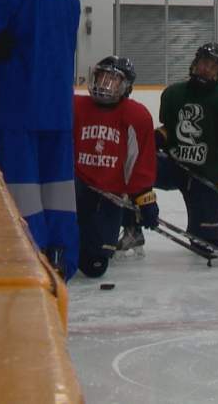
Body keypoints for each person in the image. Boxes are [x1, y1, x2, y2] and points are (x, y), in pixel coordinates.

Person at [0, 0, 82, 279]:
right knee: (58, 192)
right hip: (58, 112)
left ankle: (30, 267)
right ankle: (62, 261)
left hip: (15, 109)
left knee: (20, 193)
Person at [72, 56, 157, 277]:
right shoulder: (76, 106)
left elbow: (139, 161)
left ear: (126, 86)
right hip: (77, 188)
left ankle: (130, 225)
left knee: (94, 266)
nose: (104, 85)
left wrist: (145, 197)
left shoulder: (136, 115)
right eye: (102, 78)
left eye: (113, 80)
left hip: (110, 196)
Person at [154, 42, 218, 249]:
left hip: (205, 174)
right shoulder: (172, 94)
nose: (206, 69)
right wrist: (157, 138)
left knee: (205, 245)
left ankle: (217, 220)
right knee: (129, 167)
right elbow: (170, 128)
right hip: (175, 166)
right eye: (203, 63)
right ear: (195, 63)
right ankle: (132, 227)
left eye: (213, 66)